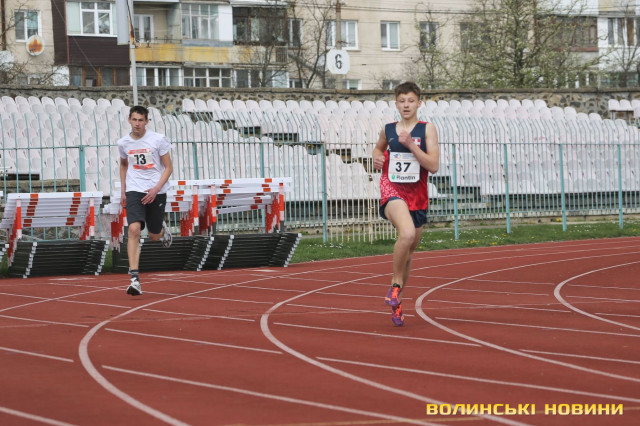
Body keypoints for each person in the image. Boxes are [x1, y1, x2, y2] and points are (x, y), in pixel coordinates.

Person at [372, 82, 439, 326]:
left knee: (409, 251)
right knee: (407, 233)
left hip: (417, 194)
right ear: (396, 104)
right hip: (392, 188)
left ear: (419, 103)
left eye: (410, 101)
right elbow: (378, 149)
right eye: (402, 101)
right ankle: (395, 285)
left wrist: (411, 144)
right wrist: (377, 158)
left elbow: (433, 166)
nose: (406, 105)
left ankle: (397, 299)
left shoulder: (427, 129)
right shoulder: (388, 129)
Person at [118, 105, 173, 296]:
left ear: (147, 121)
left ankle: (162, 230)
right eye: (134, 120)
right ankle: (134, 278)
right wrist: (123, 190)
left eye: (141, 120)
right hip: (135, 189)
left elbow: (168, 167)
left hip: (156, 190)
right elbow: (123, 165)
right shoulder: (123, 143)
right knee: (133, 229)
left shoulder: (158, 140)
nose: (137, 124)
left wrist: (156, 189)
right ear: (129, 120)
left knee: (153, 236)